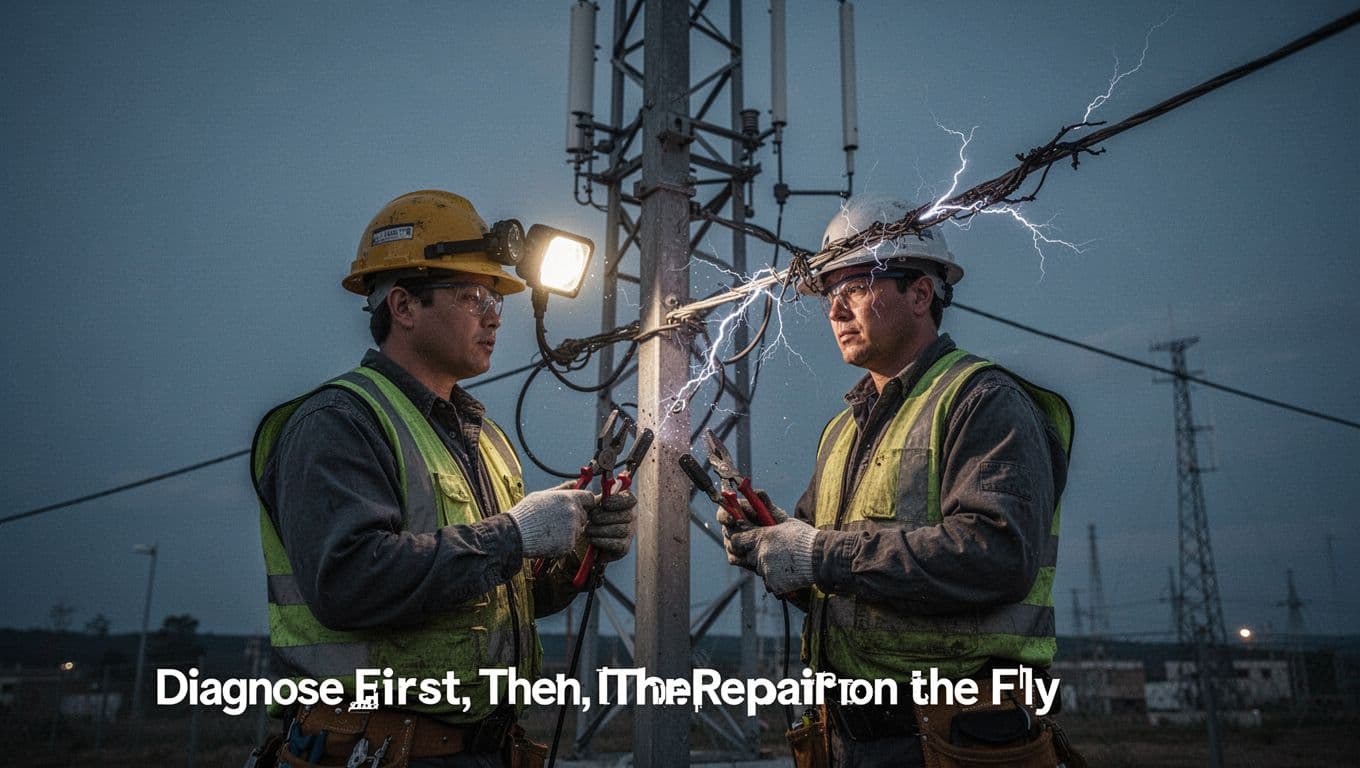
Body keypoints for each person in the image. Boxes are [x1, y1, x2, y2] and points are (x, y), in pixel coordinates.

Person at [250, 189, 636, 767]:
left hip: (482, 748)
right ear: (403, 307)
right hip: (376, 751)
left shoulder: (484, 440)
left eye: (496, 298)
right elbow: (349, 582)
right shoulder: (339, 423)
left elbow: (496, 593)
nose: (494, 314)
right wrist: (515, 534)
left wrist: (576, 551)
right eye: (472, 295)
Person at [719, 195, 1075, 767]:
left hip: (957, 738)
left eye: (855, 287)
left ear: (919, 294)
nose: (835, 311)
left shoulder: (982, 402)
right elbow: (830, 576)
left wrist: (817, 556)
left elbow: (999, 554)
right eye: (828, 293)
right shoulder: (841, 431)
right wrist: (773, 545)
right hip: (849, 737)